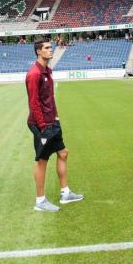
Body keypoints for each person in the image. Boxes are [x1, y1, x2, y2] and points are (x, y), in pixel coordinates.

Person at [26, 40, 83, 212]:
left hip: (52, 121)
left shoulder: (47, 71)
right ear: (38, 51)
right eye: (47, 48)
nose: (51, 50)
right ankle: (40, 201)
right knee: (42, 161)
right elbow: (34, 103)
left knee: (63, 153)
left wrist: (55, 117)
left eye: (51, 47)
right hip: (41, 124)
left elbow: (49, 97)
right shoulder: (34, 73)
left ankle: (65, 193)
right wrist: (43, 126)